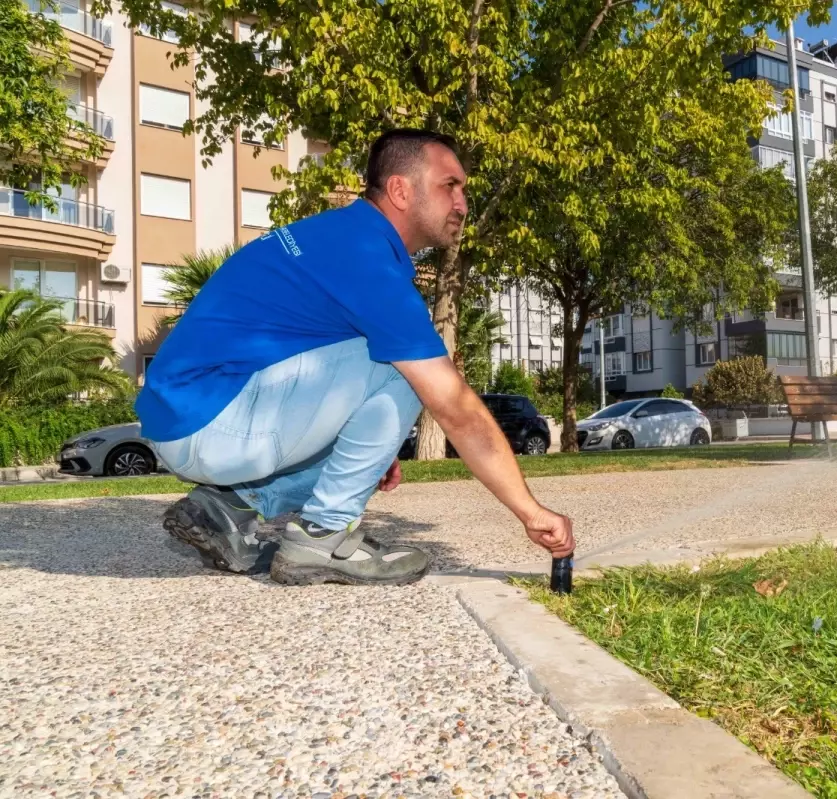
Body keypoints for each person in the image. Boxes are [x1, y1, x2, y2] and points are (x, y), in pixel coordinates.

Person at [136, 129, 575, 586]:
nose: (462, 203)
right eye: (450, 186)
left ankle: (228, 507)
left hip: (191, 418)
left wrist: (370, 441)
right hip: (210, 422)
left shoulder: (340, 236)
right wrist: (530, 511)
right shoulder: (367, 260)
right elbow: (457, 410)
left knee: (372, 435)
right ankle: (321, 538)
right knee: (408, 368)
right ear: (401, 190)